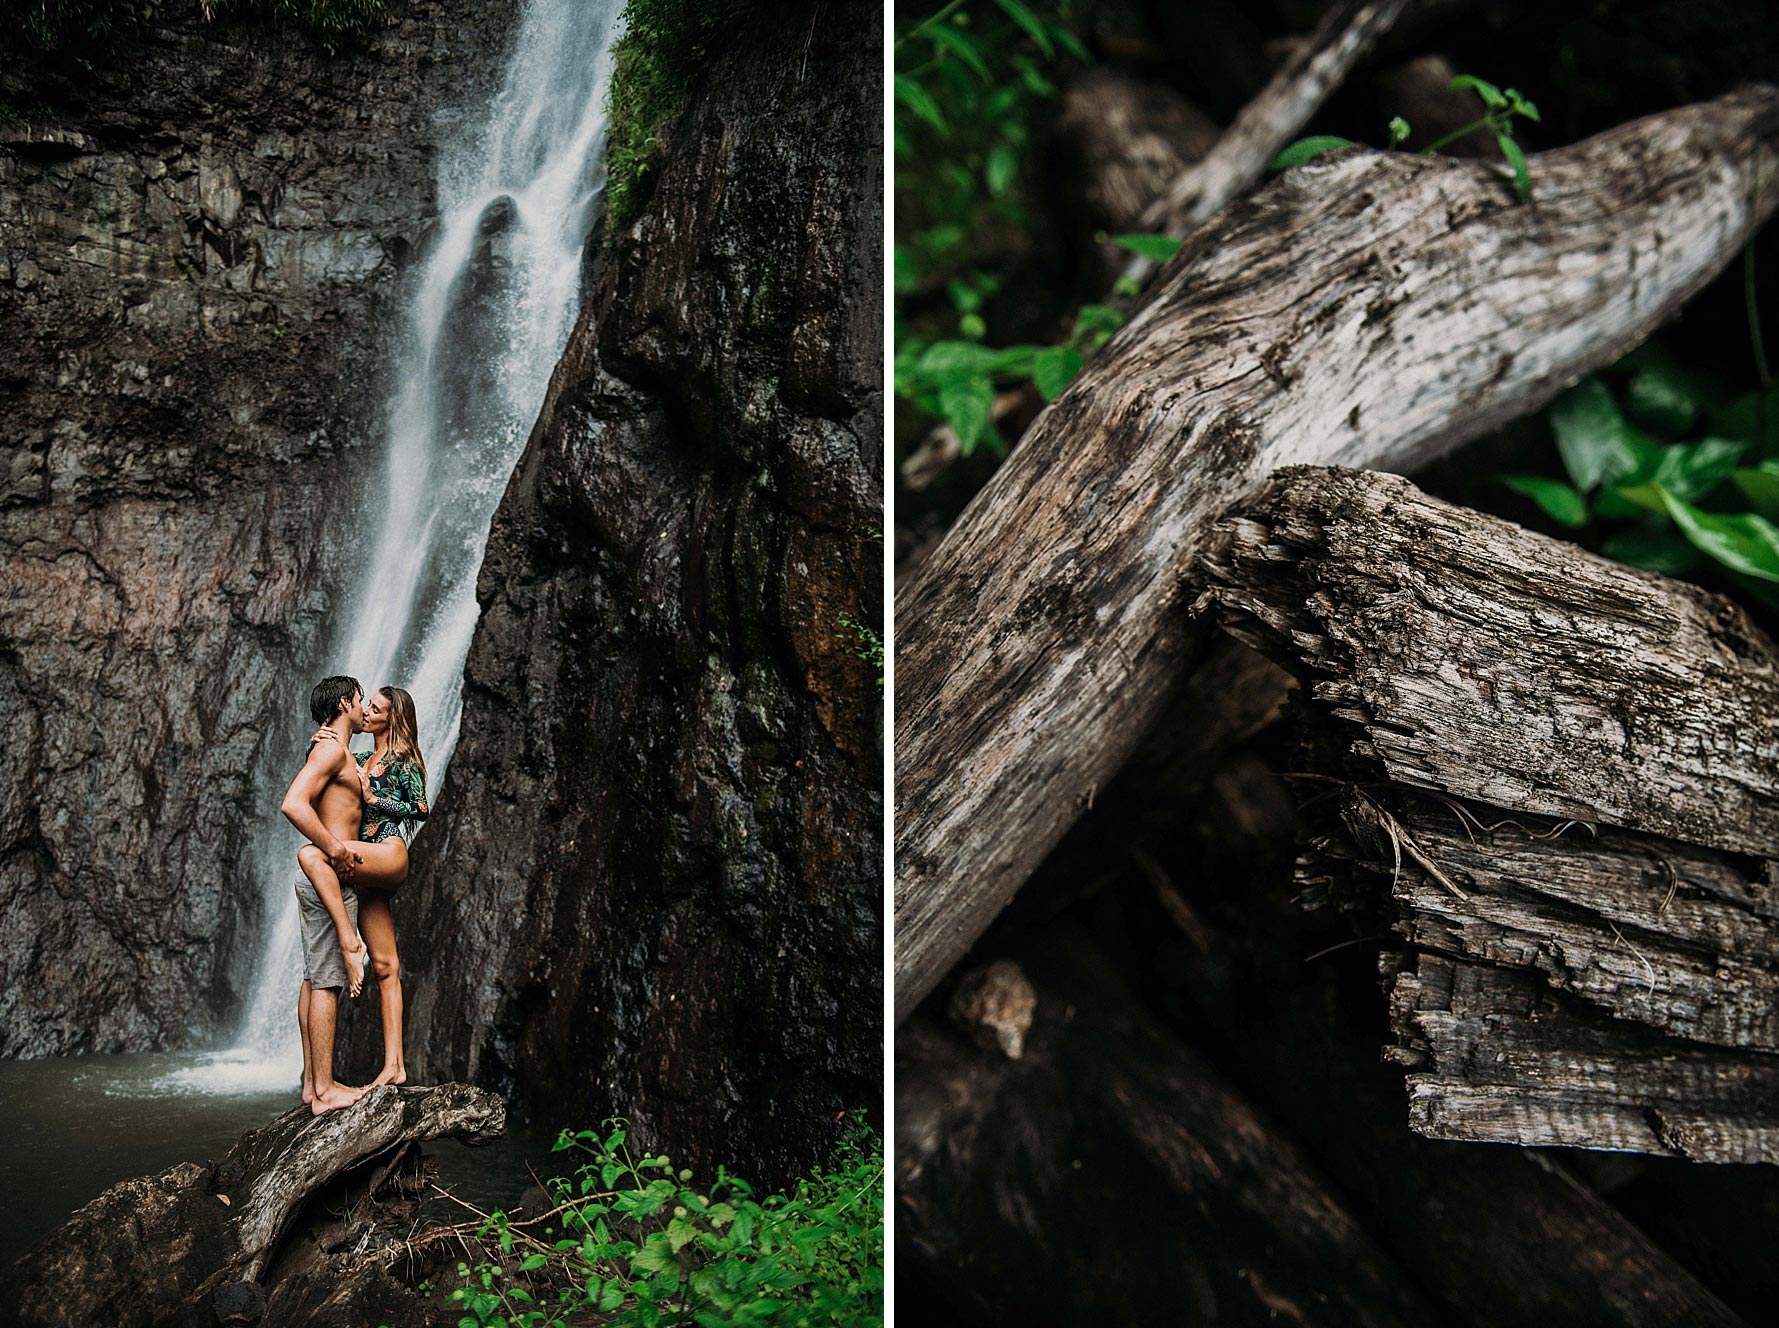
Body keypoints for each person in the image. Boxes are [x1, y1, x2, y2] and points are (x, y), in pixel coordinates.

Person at [304, 684, 429, 1088]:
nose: (368, 712)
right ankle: (395, 1066)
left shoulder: (401, 759)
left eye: (376, 708)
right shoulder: (358, 757)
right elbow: (333, 774)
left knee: (315, 854)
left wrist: (375, 797)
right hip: (365, 864)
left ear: (392, 718)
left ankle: (347, 940)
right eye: (367, 705)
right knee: (386, 966)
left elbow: (421, 808)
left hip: (387, 852)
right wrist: (321, 741)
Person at [279, 674, 371, 1116]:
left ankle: (314, 1086)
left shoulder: (334, 747)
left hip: (322, 880)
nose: (364, 704)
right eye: (360, 699)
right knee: (329, 981)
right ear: (343, 702)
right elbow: (293, 803)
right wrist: (334, 848)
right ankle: (325, 1089)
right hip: (327, 879)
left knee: (314, 977)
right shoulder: (332, 749)